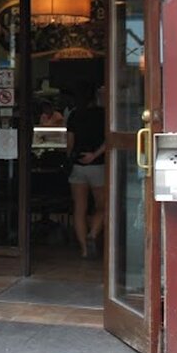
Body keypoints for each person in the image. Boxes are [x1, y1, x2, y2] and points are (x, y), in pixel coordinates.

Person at [66, 83, 106, 258]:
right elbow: (110, 140)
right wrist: (94, 155)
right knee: (103, 206)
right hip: (98, 166)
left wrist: (71, 159)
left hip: (78, 167)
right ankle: (93, 234)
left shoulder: (74, 115)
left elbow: (69, 144)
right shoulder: (103, 114)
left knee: (79, 209)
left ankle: (83, 250)